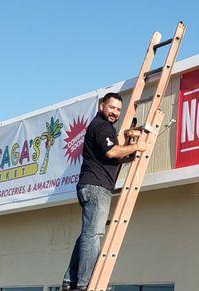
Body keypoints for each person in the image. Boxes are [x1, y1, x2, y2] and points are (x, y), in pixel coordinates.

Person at [62, 92, 146, 291]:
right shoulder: (102, 127)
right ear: (102, 106)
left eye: (118, 109)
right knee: (93, 235)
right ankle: (84, 284)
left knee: (87, 234)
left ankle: (70, 281)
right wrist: (137, 146)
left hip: (91, 185)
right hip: (96, 187)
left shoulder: (102, 127)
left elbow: (113, 157)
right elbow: (112, 152)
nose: (115, 112)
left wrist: (127, 148)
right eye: (111, 108)